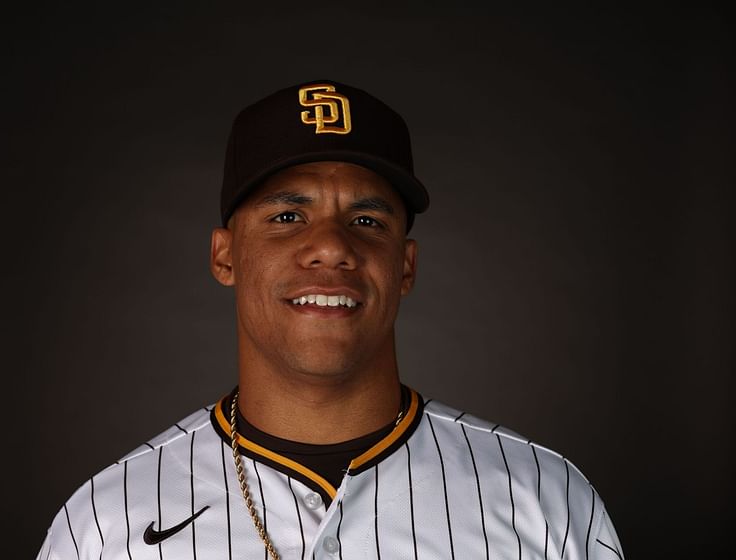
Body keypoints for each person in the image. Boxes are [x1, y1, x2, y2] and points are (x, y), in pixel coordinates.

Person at [36, 80, 624, 559]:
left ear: (406, 267)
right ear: (224, 256)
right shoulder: (106, 521)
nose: (332, 248)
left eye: (367, 222)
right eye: (288, 216)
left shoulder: (546, 498)